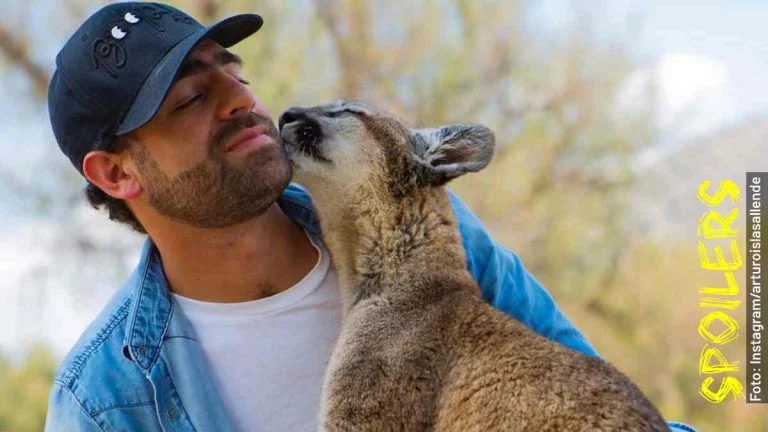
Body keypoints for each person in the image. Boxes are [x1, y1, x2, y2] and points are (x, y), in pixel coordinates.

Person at [43, 2, 695, 432]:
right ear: (116, 172)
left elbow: (597, 404)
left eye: (234, 74)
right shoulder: (102, 399)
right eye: (191, 97)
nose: (243, 100)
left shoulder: (434, 231)